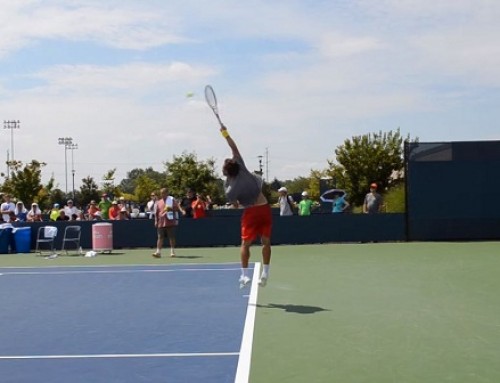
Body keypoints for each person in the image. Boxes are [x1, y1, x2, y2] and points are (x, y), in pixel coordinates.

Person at [219, 124, 272, 288]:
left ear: (226, 172)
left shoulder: (229, 189)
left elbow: (235, 205)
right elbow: (233, 146)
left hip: (250, 213)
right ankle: (265, 273)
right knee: (266, 242)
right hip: (264, 208)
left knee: (245, 244)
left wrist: (236, 203)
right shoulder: (241, 165)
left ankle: (244, 275)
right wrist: (225, 133)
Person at [152, 187, 180, 258]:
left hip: (170, 221)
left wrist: (170, 208)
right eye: (161, 193)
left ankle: (172, 251)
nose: (162, 195)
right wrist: (156, 221)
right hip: (161, 222)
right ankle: (158, 252)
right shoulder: (159, 202)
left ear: (167, 193)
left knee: (171, 237)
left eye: (164, 193)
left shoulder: (171, 200)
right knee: (160, 237)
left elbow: (176, 208)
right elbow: (156, 213)